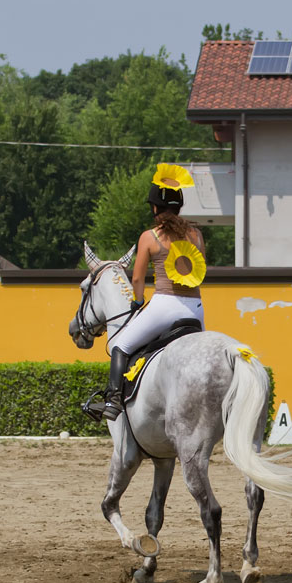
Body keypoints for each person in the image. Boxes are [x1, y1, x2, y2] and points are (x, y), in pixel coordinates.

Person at [101, 164, 207, 421]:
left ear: (155, 207)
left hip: (164, 305)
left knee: (120, 346)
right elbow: (201, 269)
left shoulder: (150, 237)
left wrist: (138, 302)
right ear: (179, 206)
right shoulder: (197, 235)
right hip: (195, 309)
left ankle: (114, 399)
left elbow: (137, 278)